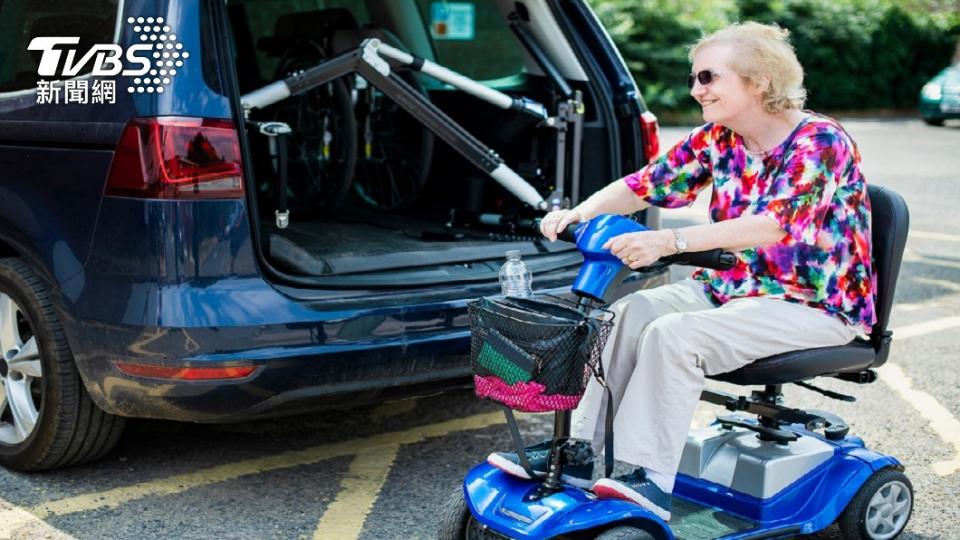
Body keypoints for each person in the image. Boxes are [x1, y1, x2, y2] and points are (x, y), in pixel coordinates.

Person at [485, 21, 876, 521]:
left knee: (674, 336)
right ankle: (578, 453)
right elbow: (642, 185)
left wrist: (670, 241)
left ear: (758, 81)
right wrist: (580, 214)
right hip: (733, 289)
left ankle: (643, 477)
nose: (696, 89)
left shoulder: (820, 141)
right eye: (696, 78)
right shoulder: (718, 138)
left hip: (813, 304)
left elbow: (774, 225)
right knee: (623, 315)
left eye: (709, 77)